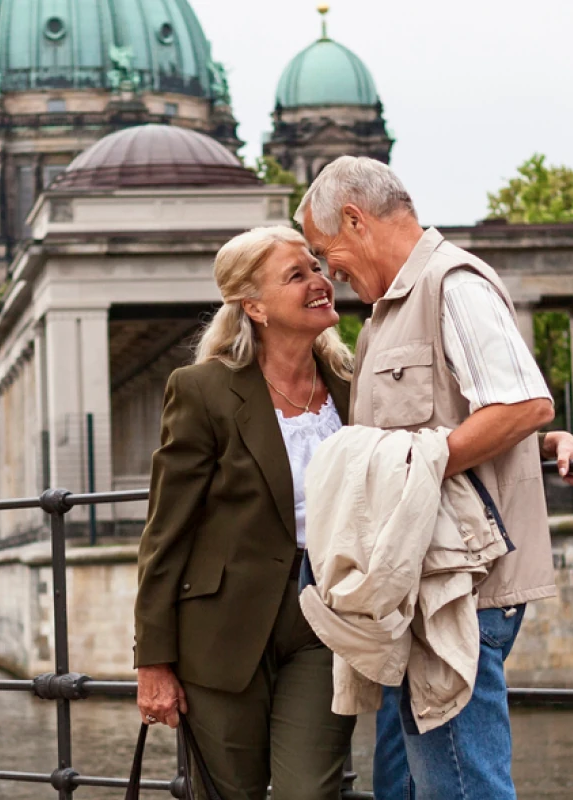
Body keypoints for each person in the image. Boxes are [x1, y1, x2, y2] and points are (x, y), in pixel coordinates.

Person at [298, 156, 573, 800]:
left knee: (462, 788)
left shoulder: (451, 284)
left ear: (356, 220)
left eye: (326, 252)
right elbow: (479, 415)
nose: (331, 272)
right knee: (406, 786)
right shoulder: (386, 314)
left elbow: (522, 404)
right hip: (421, 587)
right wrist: (541, 445)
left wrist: (413, 469)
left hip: (460, 588)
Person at [134, 225, 361, 800]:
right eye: (297, 275)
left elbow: (431, 433)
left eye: (316, 267)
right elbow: (166, 532)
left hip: (325, 614)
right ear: (253, 306)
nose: (320, 281)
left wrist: (542, 440)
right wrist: (153, 661)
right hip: (220, 630)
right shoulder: (203, 390)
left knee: (309, 792)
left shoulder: (351, 385)